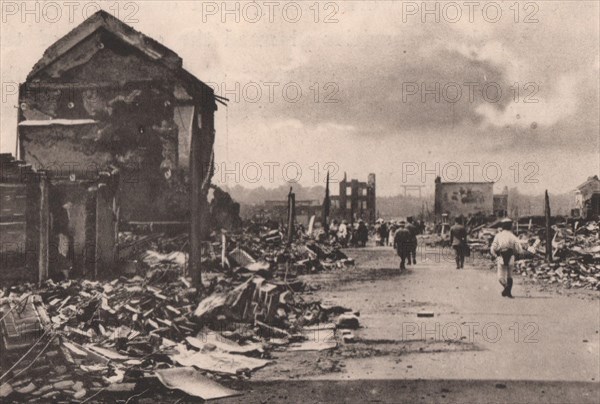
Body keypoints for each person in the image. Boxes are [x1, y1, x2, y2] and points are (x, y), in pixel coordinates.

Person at [490, 218, 524, 298]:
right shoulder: (513, 236)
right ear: (510, 226)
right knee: (510, 275)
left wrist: (494, 255)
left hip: (501, 256)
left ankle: (506, 288)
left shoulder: (498, 236)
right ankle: (508, 291)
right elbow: (519, 249)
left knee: (500, 276)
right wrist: (517, 254)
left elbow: (493, 248)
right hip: (511, 257)